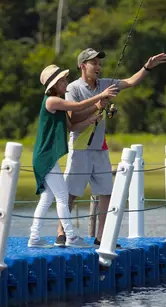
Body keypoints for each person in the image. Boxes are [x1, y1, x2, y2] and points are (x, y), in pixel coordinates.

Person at [53, 48, 166, 248]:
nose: (98, 67)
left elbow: (131, 82)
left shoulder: (106, 84)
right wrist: (98, 105)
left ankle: (102, 237)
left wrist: (147, 67)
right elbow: (73, 119)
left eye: (99, 63)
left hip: (100, 148)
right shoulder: (73, 88)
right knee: (71, 192)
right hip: (80, 147)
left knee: (106, 192)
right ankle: (61, 232)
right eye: (93, 63)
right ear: (82, 66)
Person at [28, 64, 119, 248]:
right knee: (62, 196)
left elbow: (73, 127)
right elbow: (78, 105)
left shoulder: (58, 102)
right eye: (62, 80)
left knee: (47, 198)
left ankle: (34, 237)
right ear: (54, 85)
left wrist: (92, 119)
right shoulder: (52, 101)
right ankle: (70, 237)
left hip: (46, 157)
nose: (66, 83)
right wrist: (100, 97)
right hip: (45, 157)